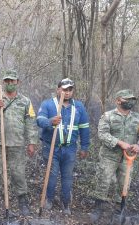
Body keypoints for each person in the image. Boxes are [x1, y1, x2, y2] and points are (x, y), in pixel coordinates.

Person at [0, 69, 38, 216]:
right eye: (7, 81)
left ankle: (22, 201)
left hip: (17, 144)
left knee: (18, 173)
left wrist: (32, 142)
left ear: (17, 82)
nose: (9, 84)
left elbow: (30, 122)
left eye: (12, 81)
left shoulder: (25, 101)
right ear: (3, 82)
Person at [36, 78, 90, 215]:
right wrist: (50, 121)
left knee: (67, 177)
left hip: (70, 149)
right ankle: (49, 199)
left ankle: (65, 202)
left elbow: (84, 128)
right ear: (58, 89)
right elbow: (39, 120)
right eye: (64, 89)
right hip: (51, 147)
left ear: (72, 91)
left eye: (70, 89)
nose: (67, 92)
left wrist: (84, 147)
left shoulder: (78, 107)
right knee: (52, 176)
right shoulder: (48, 104)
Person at [90, 89, 139, 222]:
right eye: (127, 99)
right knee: (103, 181)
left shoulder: (138, 118)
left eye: (132, 100)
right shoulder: (108, 116)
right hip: (109, 156)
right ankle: (98, 208)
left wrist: (138, 145)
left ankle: (120, 209)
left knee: (125, 183)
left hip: (128, 158)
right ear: (118, 100)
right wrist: (119, 143)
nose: (130, 102)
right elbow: (102, 135)